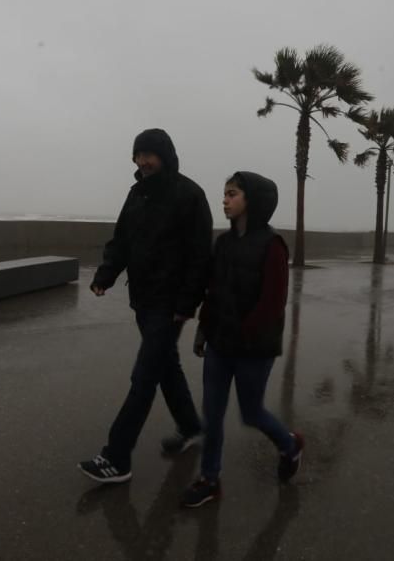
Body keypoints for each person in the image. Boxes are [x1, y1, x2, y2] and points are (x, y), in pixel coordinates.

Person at [78, 129, 213, 484]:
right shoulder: (137, 193)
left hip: (171, 304)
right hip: (144, 298)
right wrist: (105, 275)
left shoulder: (190, 194)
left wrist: (187, 303)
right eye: (137, 156)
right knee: (165, 365)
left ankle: (117, 457)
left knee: (144, 376)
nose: (142, 162)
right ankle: (191, 426)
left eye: (148, 155)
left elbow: (201, 256)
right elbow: (122, 239)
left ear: (164, 154)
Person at [182, 171, 304, 508]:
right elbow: (213, 292)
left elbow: (272, 303)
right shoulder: (221, 243)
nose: (225, 199)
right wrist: (204, 329)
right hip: (221, 345)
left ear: (253, 200)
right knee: (213, 415)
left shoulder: (273, 246)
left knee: (251, 414)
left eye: (232, 194)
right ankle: (209, 479)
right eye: (224, 193)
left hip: (254, 348)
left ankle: (290, 444)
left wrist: (245, 335)